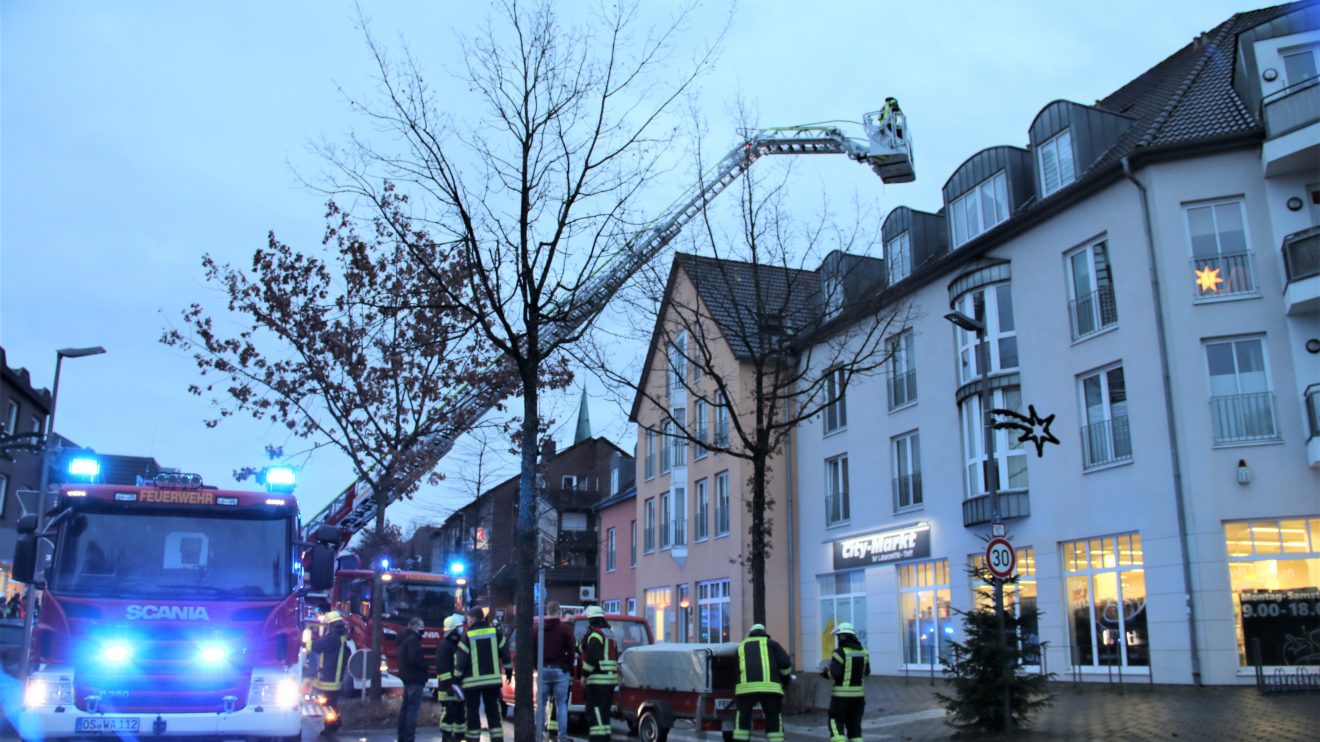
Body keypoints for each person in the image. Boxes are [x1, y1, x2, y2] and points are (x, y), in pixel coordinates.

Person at [733, 623, 793, 742]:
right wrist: (785, 681)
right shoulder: (773, 644)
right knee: (773, 717)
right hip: (771, 689)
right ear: (765, 633)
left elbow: (736, 668)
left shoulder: (741, 646)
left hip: (746, 689)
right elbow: (786, 664)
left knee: (743, 717)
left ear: (750, 634)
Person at [457, 606, 510, 741]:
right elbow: (505, 653)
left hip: (471, 682)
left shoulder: (467, 636)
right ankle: (497, 739)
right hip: (492, 681)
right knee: (493, 711)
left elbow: (461, 661)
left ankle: (473, 739)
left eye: (468, 619)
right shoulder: (496, 633)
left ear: (474, 618)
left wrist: (456, 679)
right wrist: (508, 671)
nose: (467, 622)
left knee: (472, 711)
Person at [577, 605, 619, 742]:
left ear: (590, 620)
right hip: (610, 680)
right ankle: (605, 737)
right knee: (604, 712)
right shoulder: (609, 633)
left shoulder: (595, 634)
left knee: (594, 711)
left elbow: (592, 658)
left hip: (598, 681)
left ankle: (597, 739)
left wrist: (584, 675)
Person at [822, 623, 869, 742]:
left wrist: (825, 673)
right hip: (859, 698)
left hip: (841, 698)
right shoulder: (864, 651)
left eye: (838, 636)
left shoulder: (840, 652)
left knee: (836, 724)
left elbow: (834, 673)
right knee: (855, 729)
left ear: (842, 637)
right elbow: (867, 672)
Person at [537, 601, 576, 742]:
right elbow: (571, 650)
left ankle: (539, 735)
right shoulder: (565, 630)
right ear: (559, 612)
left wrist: (538, 666)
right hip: (560, 670)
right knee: (561, 704)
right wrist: (568, 666)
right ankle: (562, 737)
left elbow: (534, 648)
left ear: (547, 612)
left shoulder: (539, 629)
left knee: (541, 704)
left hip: (543, 669)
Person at [311, 611, 351, 736]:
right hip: (335, 678)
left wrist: (306, 641)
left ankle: (332, 725)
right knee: (332, 703)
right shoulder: (340, 638)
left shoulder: (332, 639)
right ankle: (334, 722)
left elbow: (317, 647)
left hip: (329, 679)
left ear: (331, 626)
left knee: (328, 704)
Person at [396, 616, 429, 742]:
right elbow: (415, 659)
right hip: (415, 679)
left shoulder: (404, 639)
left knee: (405, 710)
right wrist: (425, 667)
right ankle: (409, 738)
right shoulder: (413, 640)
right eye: (421, 627)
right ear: (415, 627)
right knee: (412, 712)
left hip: (407, 679)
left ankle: (402, 737)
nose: (423, 630)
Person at [436, 613, 468, 742]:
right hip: (448, 690)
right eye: (460, 627)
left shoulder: (456, 645)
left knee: (460, 715)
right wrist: (450, 685)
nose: (462, 629)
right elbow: (443, 668)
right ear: (453, 630)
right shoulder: (445, 646)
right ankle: (447, 737)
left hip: (457, 688)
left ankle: (459, 737)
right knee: (449, 715)